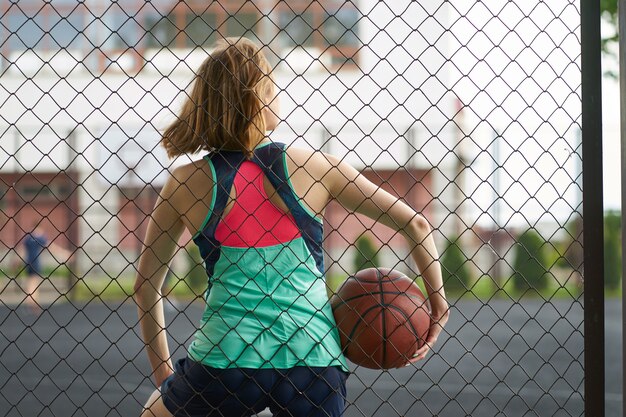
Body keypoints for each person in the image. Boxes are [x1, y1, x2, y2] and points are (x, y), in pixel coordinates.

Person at [134, 37, 449, 417]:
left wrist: (166, 377)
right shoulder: (315, 167)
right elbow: (415, 223)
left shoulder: (184, 183)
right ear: (257, 99)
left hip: (227, 362)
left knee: (154, 412)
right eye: (272, 87)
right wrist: (438, 304)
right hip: (314, 363)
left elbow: (146, 288)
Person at [18, 221, 72, 314]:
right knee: (34, 283)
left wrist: (16, 261)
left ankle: (31, 302)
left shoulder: (28, 238)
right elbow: (51, 246)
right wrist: (65, 254)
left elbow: (21, 250)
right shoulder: (39, 237)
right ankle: (32, 303)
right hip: (36, 262)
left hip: (28, 262)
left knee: (30, 282)